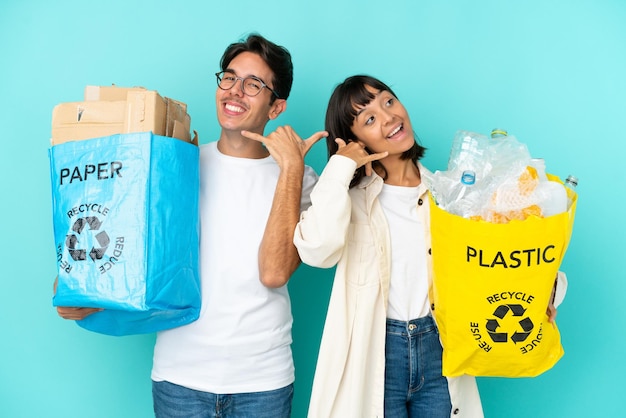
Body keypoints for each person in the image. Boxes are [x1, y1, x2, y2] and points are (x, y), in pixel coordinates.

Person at [56, 33, 326, 417]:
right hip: (179, 379)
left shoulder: (300, 179)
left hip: (262, 383)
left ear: (276, 107)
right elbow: (124, 245)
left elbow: (276, 271)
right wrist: (76, 286)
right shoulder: (175, 164)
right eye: (229, 78)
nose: (235, 92)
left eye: (254, 85)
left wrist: (291, 169)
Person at [293, 75, 567, 417]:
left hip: (439, 346)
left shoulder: (452, 195)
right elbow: (317, 249)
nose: (389, 117)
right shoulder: (349, 202)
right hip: (377, 351)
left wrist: (545, 295)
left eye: (388, 101)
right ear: (354, 141)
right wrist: (342, 163)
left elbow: (504, 255)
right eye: (370, 119)